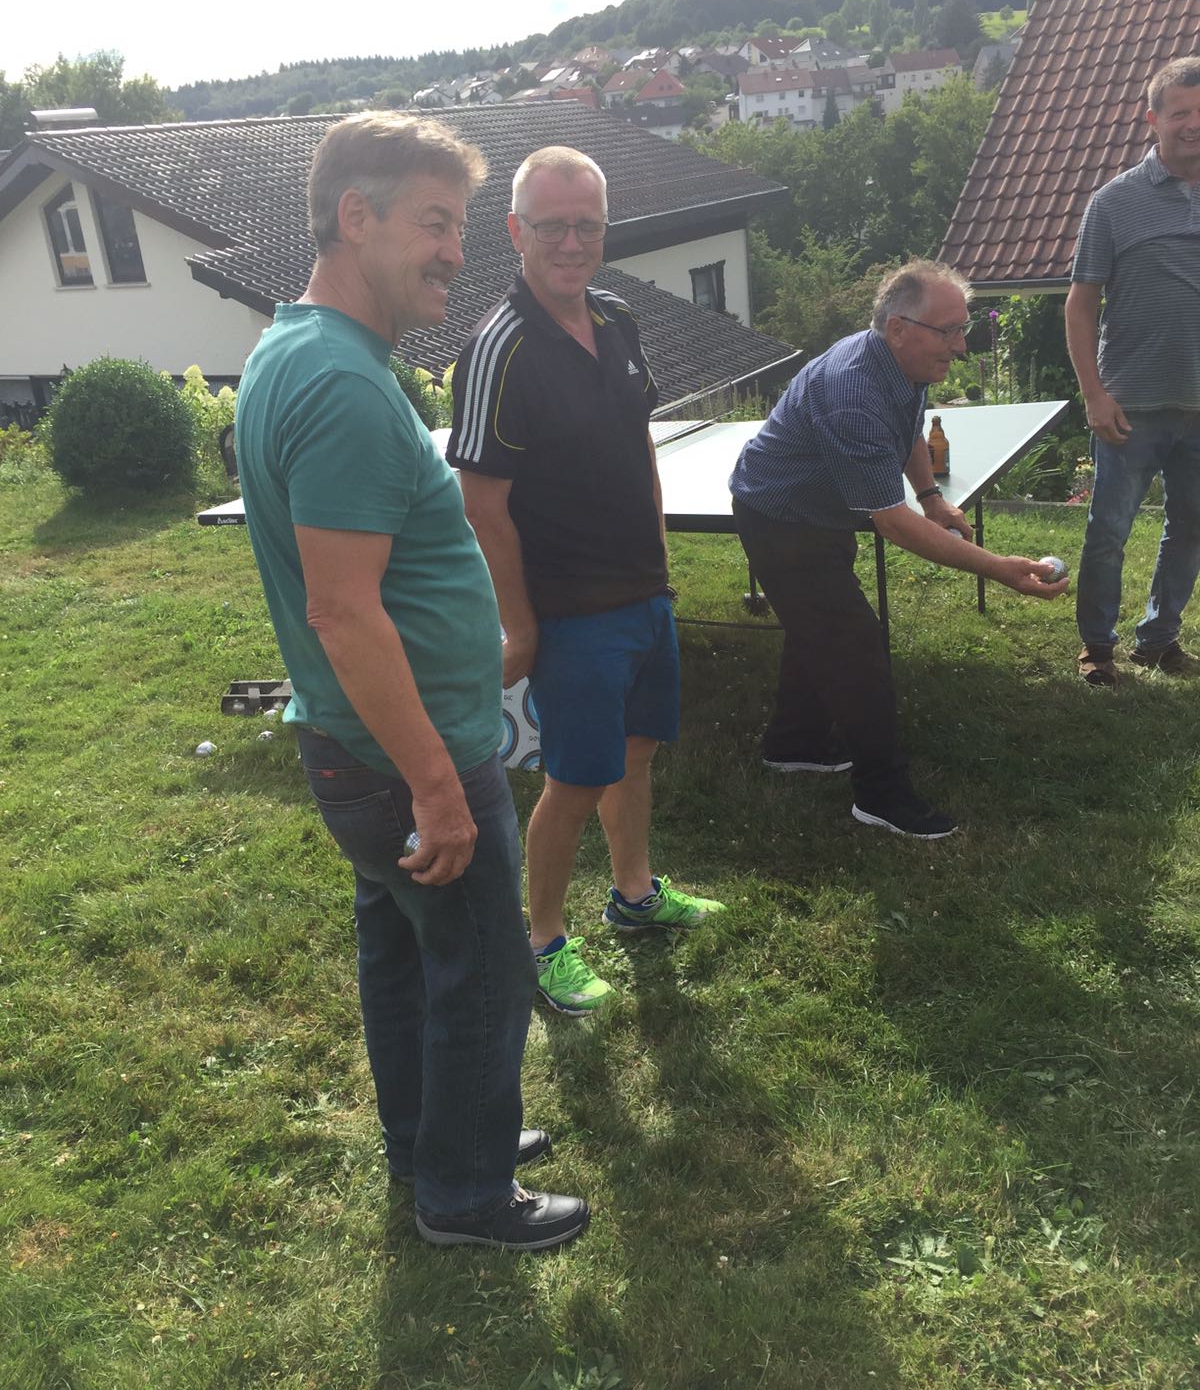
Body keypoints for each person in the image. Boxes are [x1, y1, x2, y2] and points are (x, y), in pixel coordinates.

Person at [235, 113, 587, 1251]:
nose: (454, 251)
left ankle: (430, 1139)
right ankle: (467, 1194)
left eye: (459, 225)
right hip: (405, 751)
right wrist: (438, 785)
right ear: (357, 216)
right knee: (481, 968)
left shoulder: (300, 349)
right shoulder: (339, 384)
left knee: (401, 958)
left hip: (357, 743)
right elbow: (343, 610)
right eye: (435, 223)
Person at [447, 146, 723, 1017]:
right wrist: (522, 626)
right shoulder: (497, 349)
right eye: (553, 226)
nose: (572, 243)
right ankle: (543, 942)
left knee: (636, 754)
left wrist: (661, 563)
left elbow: (640, 441)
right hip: (570, 611)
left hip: (643, 593)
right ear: (515, 230)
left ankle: (634, 895)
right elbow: (481, 504)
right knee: (573, 780)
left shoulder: (617, 317)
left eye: (588, 225)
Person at [729, 259, 1069, 839]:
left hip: (819, 510)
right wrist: (998, 569)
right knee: (856, 644)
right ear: (898, 328)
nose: (961, 346)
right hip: (779, 516)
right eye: (950, 331)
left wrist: (931, 497)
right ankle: (881, 794)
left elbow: (908, 427)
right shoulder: (852, 391)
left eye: (963, 328)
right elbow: (892, 524)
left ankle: (794, 745)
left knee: (823, 627)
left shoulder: (905, 363)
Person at [1066, 56, 1200, 686]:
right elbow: (1080, 304)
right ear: (1153, 120)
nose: (1193, 124)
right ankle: (1097, 646)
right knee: (1109, 530)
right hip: (1130, 406)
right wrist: (1093, 394)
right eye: (1181, 113)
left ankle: (1159, 638)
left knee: (1191, 528)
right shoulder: (1114, 203)